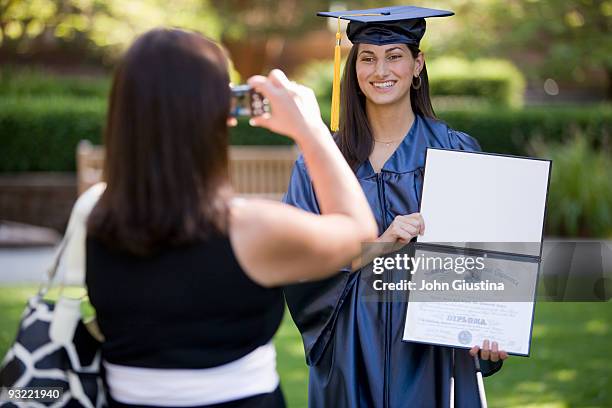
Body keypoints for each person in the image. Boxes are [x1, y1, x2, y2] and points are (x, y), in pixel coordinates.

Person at [85, 28, 377, 408]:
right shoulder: (251, 229)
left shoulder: (94, 216)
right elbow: (359, 232)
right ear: (215, 115)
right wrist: (311, 130)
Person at [283, 6, 508, 408]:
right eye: (367, 58)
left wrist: (491, 331)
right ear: (353, 69)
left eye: (394, 56)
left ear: (417, 64)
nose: (379, 70)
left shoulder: (456, 152)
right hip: (352, 348)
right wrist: (377, 246)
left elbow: (483, 267)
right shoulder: (322, 163)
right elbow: (298, 263)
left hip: (433, 349)